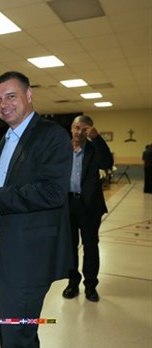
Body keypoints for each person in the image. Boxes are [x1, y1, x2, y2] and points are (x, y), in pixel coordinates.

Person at [0, 71, 73, 348]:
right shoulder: (9, 138)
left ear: (29, 95)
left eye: (11, 96)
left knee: (15, 335)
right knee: (14, 332)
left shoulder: (51, 136)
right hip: (3, 249)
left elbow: (52, 192)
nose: (3, 105)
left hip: (27, 254)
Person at [62, 115, 113, 302]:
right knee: (69, 247)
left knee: (90, 247)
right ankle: (72, 283)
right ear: (71, 128)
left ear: (90, 130)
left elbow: (107, 163)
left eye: (84, 129)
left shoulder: (93, 149)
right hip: (67, 205)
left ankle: (90, 286)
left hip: (90, 206)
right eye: (77, 127)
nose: (79, 132)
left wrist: (97, 139)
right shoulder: (62, 149)